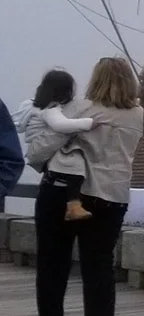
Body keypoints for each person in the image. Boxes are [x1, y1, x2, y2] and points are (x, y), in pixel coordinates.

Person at [29, 57, 144, 316]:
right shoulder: (137, 114)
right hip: (112, 195)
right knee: (99, 264)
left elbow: (43, 147)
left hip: (65, 194)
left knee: (52, 263)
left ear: (96, 79)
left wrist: (37, 157)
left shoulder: (79, 109)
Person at [19, 68, 99, 222]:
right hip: (42, 148)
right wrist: (89, 123)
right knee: (75, 164)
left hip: (35, 148)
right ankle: (74, 205)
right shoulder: (50, 109)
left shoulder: (31, 106)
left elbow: (19, 124)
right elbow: (61, 125)